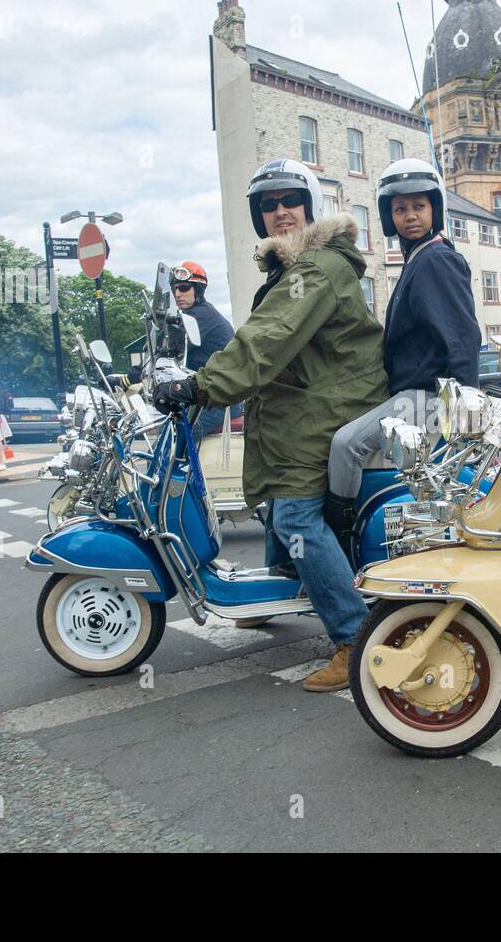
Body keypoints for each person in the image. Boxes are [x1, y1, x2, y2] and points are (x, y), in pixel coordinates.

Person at [153, 157, 387, 693]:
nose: (280, 212)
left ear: (310, 206)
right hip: (306, 407)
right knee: (278, 508)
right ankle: (278, 592)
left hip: (326, 410)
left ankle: (355, 640)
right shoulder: (298, 268)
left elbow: (267, 338)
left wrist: (199, 387)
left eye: (290, 202)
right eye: (269, 205)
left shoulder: (315, 270)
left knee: (297, 519)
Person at [326, 157, 479, 560]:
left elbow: (462, 338)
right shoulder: (419, 258)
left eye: (418, 206)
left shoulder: (436, 260)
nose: (409, 216)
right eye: (400, 209)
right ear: (389, 216)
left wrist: (465, 414)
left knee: (345, 445)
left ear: (435, 210)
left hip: (429, 396)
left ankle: (338, 544)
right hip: (417, 394)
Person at [168, 260, 238, 441]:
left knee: (177, 439)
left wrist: (131, 378)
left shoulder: (199, 317)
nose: (178, 294)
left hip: (221, 400)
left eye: (184, 288)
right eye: (175, 288)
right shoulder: (192, 315)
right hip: (212, 394)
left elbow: (170, 350)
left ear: (198, 290)